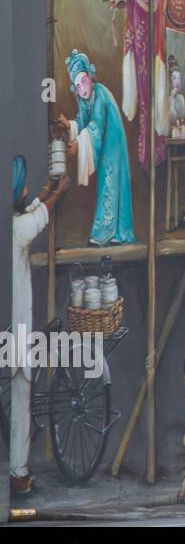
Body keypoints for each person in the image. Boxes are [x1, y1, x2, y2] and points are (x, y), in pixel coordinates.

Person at [10, 157, 70, 496]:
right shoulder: (17, 229)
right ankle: (19, 474)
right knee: (21, 391)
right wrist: (58, 193)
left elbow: (32, 206)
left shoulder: (13, 217)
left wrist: (49, 187)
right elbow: (38, 218)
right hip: (14, 323)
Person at [57, 49, 136, 245]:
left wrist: (79, 144)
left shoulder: (100, 93)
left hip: (113, 142)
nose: (82, 88)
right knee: (107, 183)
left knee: (110, 182)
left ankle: (105, 233)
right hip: (103, 141)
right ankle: (117, 232)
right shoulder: (84, 99)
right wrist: (71, 125)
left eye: (84, 81)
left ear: (90, 77)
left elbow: (95, 125)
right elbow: (83, 120)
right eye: (77, 85)